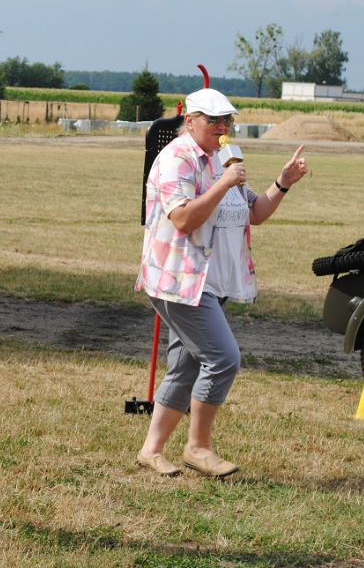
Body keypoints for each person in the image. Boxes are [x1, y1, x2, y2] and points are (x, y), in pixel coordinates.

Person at [134, 88, 307, 479]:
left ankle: (150, 451)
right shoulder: (176, 159)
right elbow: (183, 219)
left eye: (228, 120)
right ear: (190, 120)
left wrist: (282, 183)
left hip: (214, 281)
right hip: (180, 280)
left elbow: (253, 212)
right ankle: (198, 448)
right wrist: (224, 183)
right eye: (214, 120)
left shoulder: (223, 158)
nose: (223, 126)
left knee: (185, 368)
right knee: (223, 359)